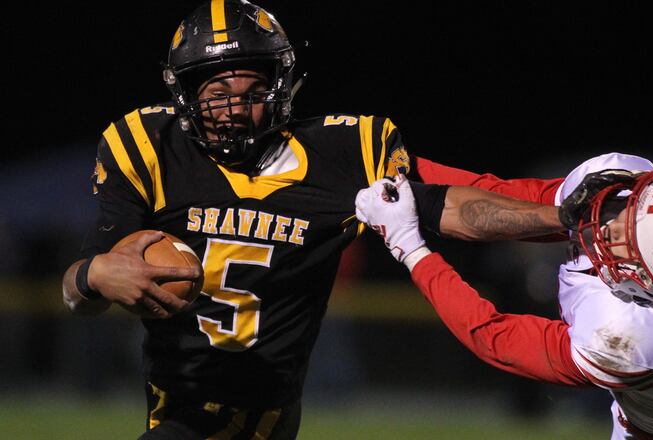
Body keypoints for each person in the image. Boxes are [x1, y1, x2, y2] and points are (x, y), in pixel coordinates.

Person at [59, 1, 571, 438]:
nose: (233, 109)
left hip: (264, 411)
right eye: (216, 93)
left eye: (251, 92)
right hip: (177, 404)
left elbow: (456, 208)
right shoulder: (149, 148)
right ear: (187, 96)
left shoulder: (342, 155)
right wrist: (93, 274)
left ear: (281, 89)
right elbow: (78, 293)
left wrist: (570, 218)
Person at [355, 153, 653, 439]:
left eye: (633, 242)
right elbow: (503, 196)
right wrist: (390, 164)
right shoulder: (626, 180)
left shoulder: (639, 339)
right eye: (637, 209)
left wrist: (410, 248)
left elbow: (492, 335)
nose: (612, 226)